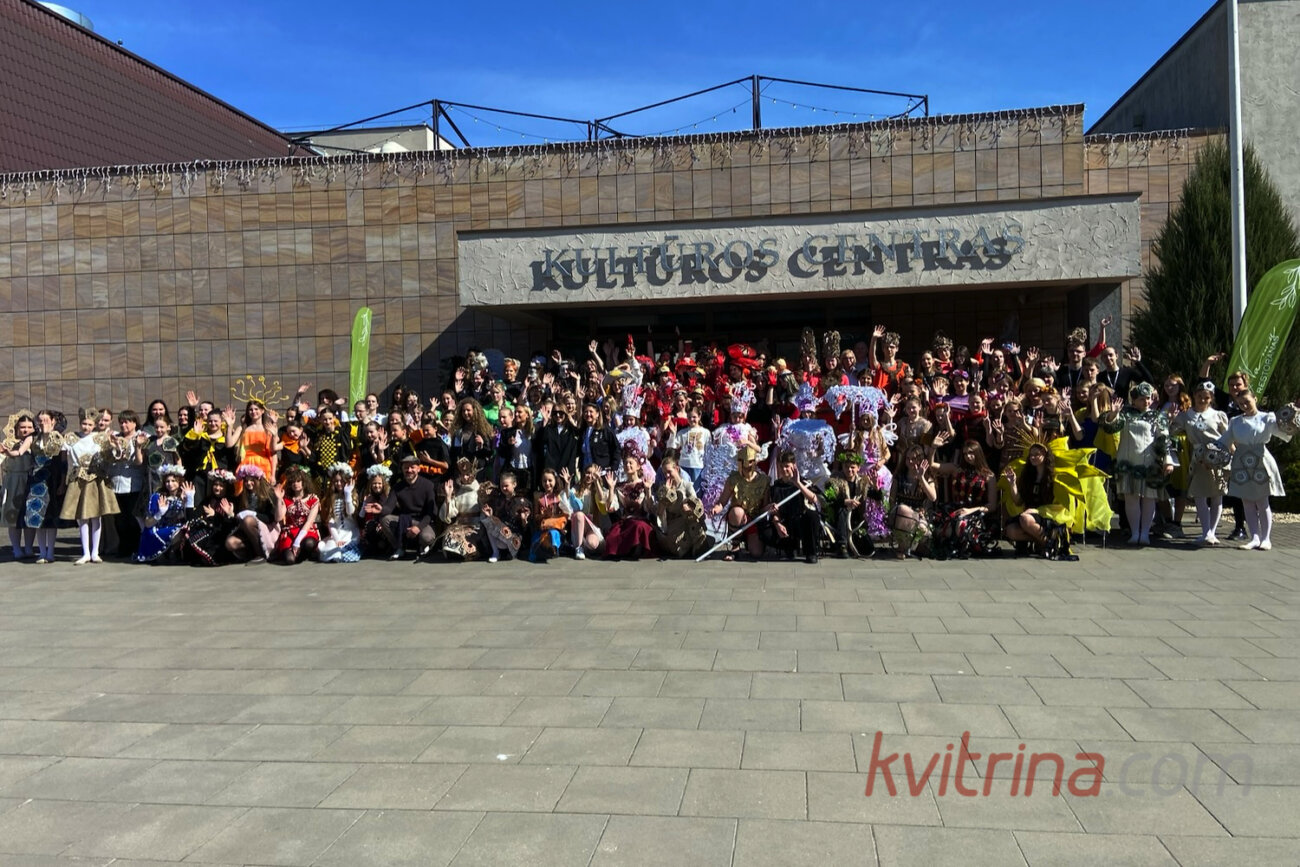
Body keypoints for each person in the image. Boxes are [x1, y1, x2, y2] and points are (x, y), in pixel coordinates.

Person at [1210, 391, 1298, 551]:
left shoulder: (1268, 417)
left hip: (1260, 460)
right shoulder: (1235, 421)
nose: (1244, 405)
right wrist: (1208, 452)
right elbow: (1224, 441)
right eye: (1240, 403)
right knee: (1247, 502)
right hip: (1242, 462)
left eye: (1247, 402)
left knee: (1262, 501)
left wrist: (1293, 419)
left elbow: (1284, 433)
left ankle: (1266, 538)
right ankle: (1254, 538)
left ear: (1255, 399)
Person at [1097, 382, 1173, 546]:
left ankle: (1145, 533)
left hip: (1149, 463)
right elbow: (1109, 428)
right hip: (1128, 463)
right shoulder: (1125, 414)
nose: (1146, 402)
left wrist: (1167, 460)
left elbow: (1164, 438)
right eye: (1142, 399)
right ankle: (1135, 532)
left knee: (1149, 499)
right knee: (1131, 498)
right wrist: (1113, 414)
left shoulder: (1157, 416)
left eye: (1148, 398)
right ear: (1134, 400)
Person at [1171, 380, 1231, 545]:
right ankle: (1206, 532)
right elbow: (1173, 430)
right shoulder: (1186, 415)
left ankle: (1212, 532)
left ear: (1211, 398)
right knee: (1199, 494)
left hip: (1217, 456)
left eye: (1206, 397)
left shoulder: (1218, 415)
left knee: (1217, 495)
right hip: (1198, 457)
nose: (1202, 400)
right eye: (1199, 396)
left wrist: (1229, 454)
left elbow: (1228, 436)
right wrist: (1170, 419)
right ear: (1194, 396)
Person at [61, 410, 120, 564]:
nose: (86, 427)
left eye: (89, 424)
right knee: (82, 517)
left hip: (96, 478)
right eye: (84, 423)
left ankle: (95, 552)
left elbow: (111, 456)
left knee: (96, 516)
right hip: (78, 479)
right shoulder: (71, 438)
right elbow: (61, 454)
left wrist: (115, 445)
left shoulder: (100, 438)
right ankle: (85, 552)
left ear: (94, 425)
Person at [711, 444, 770, 561]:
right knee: (737, 512)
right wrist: (716, 508)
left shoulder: (764, 480)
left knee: (757, 553)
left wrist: (769, 508)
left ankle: (749, 541)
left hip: (754, 519)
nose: (747, 466)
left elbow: (764, 506)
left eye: (751, 462)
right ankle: (735, 546)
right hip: (737, 517)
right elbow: (722, 502)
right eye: (744, 462)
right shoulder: (733, 479)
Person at [764, 450, 823, 563]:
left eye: (787, 466)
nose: (784, 469)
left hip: (800, 520)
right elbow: (775, 511)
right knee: (767, 532)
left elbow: (814, 499)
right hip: (785, 521)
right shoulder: (776, 487)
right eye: (781, 466)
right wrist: (778, 524)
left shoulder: (803, 482)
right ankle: (790, 547)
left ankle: (811, 552)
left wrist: (798, 483)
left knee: (811, 516)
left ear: (794, 466)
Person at [379, 455, 440, 560]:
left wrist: (418, 527)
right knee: (385, 519)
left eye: (412, 467)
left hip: (424, 521)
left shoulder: (428, 485)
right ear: (402, 469)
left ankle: (422, 546)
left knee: (427, 537)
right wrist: (380, 510)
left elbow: (431, 513)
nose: (409, 470)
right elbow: (389, 507)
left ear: (418, 469)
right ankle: (399, 547)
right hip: (405, 520)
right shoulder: (397, 487)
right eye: (406, 467)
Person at [603, 444, 656, 560]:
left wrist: (648, 490)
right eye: (626, 463)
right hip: (626, 521)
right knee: (613, 535)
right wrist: (611, 489)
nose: (628, 465)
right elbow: (611, 508)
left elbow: (650, 508)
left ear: (638, 466)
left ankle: (637, 547)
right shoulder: (620, 486)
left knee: (638, 527)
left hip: (641, 520)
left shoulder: (644, 484)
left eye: (630, 463)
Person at [652, 453, 707, 559]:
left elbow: (696, 502)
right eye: (665, 473)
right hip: (674, 523)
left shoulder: (686, 485)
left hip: (687, 518)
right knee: (679, 546)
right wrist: (665, 495)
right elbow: (659, 512)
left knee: (695, 527)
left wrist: (689, 508)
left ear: (676, 469)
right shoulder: (663, 488)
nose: (667, 476)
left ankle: (699, 544)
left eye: (669, 472)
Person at [135, 464, 193, 563]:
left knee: (185, 529)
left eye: (173, 481)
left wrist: (187, 503)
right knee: (179, 531)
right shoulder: (158, 497)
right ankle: (164, 552)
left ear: (179, 481)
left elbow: (189, 520)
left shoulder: (184, 496)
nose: (170, 484)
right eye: (167, 481)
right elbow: (147, 524)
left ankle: (173, 551)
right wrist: (160, 513)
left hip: (178, 529)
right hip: (160, 529)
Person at [888, 444, 937, 559]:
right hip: (900, 516)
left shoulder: (927, 478)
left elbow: (933, 497)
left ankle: (910, 546)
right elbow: (891, 500)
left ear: (920, 460)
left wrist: (921, 478)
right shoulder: (899, 477)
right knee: (902, 509)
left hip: (919, 517)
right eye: (907, 458)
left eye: (914, 459)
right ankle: (903, 547)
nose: (910, 461)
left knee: (922, 531)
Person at [182, 469, 237, 566]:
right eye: (215, 484)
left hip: (220, 538)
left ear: (227, 487)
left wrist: (220, 515)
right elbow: (191, 519)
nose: (217, 488)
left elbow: (230, 526)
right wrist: (190, 500)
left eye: (221, 486)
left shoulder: (232, 501)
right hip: (207, 535)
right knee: (189, 530)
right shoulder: (208, 500)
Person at [226, 465, 279, 563]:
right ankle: (252, 552)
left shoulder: (269, 494)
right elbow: (239, 518)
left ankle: (261, 554)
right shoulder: (243, 496)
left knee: (248, 520)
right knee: (230, 543)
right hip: (248, 531)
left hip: (267, 529)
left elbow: (271, 518)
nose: (248, 483)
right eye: (246, 481)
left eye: (252, 480)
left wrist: (253, 514)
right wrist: (231, 514)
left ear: (258, 480)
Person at [272, 466, 321, 564]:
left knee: (309, 543)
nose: (296, 484)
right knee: (289, 560)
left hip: (307, 531)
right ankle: (296, 554)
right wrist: (278, 499)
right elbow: (278, 518)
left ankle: (302, 553)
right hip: (290, 532)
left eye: (298, 481)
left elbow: (309, 522)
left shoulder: (313, 500)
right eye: (293, 482)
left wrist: (297, 542)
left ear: (304, 482)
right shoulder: (286, 499)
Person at [317, 463, 361, 563]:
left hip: (350, 533)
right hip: (337, 533)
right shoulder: (330, 498)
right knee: (330, 546)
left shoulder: (351, 495)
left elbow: (350, 512)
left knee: (346, 548)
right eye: (336, 481)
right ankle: (335, 555)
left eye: (341, 481)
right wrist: (337, 539)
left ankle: (339, 554)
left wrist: (347, 494)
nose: (339, 483)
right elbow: (330, 521)